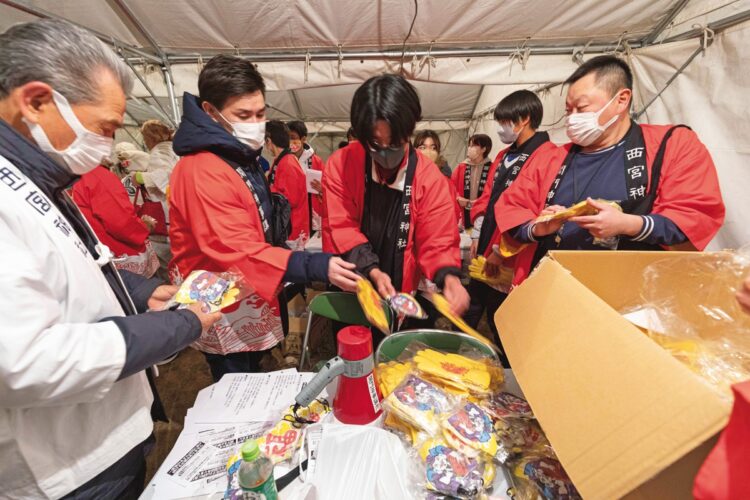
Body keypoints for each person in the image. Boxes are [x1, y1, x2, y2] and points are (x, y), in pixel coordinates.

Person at [0, 19, 221, 499]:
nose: (104, 145)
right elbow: (24, 361)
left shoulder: (36, 176)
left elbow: (67, 267)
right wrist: (180, 325)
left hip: (104, 432)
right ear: (37, 102)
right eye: (104, 128)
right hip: (65, 467)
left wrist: (137, 290)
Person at [169, 55, 359, 381]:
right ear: (210, 112)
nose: (255, 123)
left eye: (261, 113)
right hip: (222, 296)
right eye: (243, 115)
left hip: (246, 285)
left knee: (251, 367)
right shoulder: (202, 168)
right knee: (234, 378)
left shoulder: (239, 156)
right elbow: (233, 247)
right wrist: (310, 265)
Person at [497, 55, 725, 286]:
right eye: (568, 111)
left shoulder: (672, 144)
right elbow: (511, 207)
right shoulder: (551, 158)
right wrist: (538, 227)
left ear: (621, 99)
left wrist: (628, 224)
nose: (573, 118)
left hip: (636, 292)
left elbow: (694, 215)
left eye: (582, 107)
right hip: (554, 287)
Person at [322, 74, 469, 324]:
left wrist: (450, 278)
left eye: (395, 142)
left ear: (409, 131)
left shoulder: (429, 178)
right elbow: (341, 225)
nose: (385, 153)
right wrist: (372, 270)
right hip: (354, 277)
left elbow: (438, 238)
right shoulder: (341, 164)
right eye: (375, 143)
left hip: (401, 287)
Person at [463, 90, 555, 358]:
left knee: (503, 318)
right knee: (472, 307)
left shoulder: (547, 155)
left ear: (523, 118)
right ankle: (462, 353)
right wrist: (478, 233)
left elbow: (530, 213)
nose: (501, 128)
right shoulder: (504, 156)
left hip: (512, 255)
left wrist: (501, 251)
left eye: (504, 121)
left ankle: (511, 366)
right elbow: (488, 197)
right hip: (487, 248)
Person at [72, 163, 159, 277]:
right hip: (117, 254)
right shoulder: (97, 175)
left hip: (89, 252)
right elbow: (122, 223)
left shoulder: (70, 174)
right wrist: (145, 226)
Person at [265, 120, 310, 246]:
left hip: (292, 231)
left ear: (269, 141)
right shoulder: (282, 160)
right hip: (287, 228)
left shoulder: (288, 163)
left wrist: (269, 190)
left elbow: (291, 200)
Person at [287, 120, 324, 232]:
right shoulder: (283, 160)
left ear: (303, 139)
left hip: (311, 211)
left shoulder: (316, 161)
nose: (290, 141)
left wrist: (322, 189)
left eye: (293, 137)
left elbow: (327, 185)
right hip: (291, 213)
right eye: (287, 138)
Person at [450, 134, 493, 227]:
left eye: (473, 145)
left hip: (483, 214)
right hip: (463, 214)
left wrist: (481, 202)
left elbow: (495, 191)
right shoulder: (461, 167)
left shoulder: (492, 168)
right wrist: (457, 197)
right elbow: (450, 187)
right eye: (469, 145)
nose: (470, 148)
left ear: (483, 149)